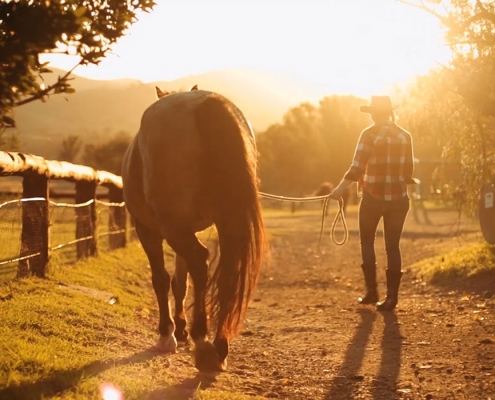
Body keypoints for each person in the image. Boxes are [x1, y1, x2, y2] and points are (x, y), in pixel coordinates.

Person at [329, 95, 419, 311]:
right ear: (389, 112)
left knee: (367, 242)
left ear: (372, 114)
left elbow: (357, 167)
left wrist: (340, 189)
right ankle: (391, 298)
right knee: (393, 247)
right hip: (399, 199)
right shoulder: (405, 136)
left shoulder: (368, 135)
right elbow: (409, 172)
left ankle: (371, 292)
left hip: (372, 199)